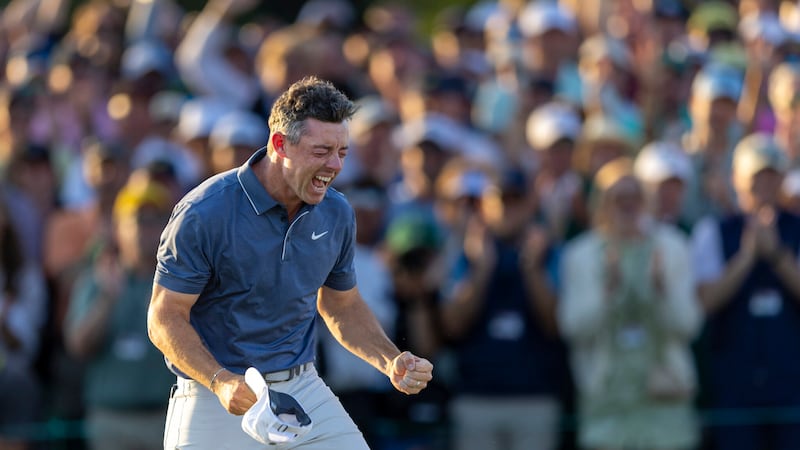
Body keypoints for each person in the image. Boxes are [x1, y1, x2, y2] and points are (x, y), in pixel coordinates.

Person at [147, 76, 434, 449]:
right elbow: (164, 316)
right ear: (280, 144)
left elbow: (340, 306)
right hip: (212, 393)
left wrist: (391, 360)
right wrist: (220, 380)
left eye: (342, 152)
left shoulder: (337, 212)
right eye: (321, 151)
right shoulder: (204, 212)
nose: (334, 166)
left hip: (301, 388)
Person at [559, 157, 701, 450]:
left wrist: (662, 291)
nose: (628, 205)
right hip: (606, 407)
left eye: (635, 197)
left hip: (665, 400)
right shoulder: (580, 255)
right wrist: (606, 295)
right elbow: (573, 327)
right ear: (601, 203)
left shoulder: (672, 246)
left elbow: (689, 324)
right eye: (618, 198)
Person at [690, 133, 800, 450]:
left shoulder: (796, 228)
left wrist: (777, 255)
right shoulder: (712, 231)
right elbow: (706, 301)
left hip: (791, 382)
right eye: (756, 177)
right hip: (734, 383)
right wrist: (747, 258)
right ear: (737, 179)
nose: (764, 185)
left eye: (772, 176)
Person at [63, 170, 176, 450]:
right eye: (136, 220)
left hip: (166, 417)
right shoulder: (97, 279)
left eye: (153, 220)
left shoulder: (181, 285)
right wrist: (107, 299)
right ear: (118, 227)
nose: (144, 229)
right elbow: (78, 345)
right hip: (111, 420)